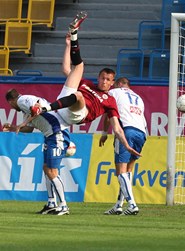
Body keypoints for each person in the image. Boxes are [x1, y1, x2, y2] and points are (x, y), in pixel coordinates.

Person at [32, 11, 140, 158]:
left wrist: (126, 145)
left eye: (108, 80)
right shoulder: (86, 84)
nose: (104, 81)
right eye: (102, 78)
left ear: (112, 83)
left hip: (77, 114)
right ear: (98, 77)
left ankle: (46, 108)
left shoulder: (110, 100)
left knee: (78, 94)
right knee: (79, 67)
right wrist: (68, 45)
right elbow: (65, 69)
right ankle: (74, 34)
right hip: (65, 102)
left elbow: (117, 128)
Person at [4, 89, 72, 215]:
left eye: (10, 105)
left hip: (57, 132)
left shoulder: (23, 100)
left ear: (11, 101)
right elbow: (29, 129)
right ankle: (52, 203)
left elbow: (36, 109)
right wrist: (14, 127)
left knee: (52, 171)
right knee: (46, 168)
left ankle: (63, 205)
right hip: (50, 135)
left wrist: (22, 123)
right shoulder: (25, 109)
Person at [99, 77, 147, 215]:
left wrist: (104, 132)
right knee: (129, 170)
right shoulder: (138, 97)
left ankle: (132, 205)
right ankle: (119, 205)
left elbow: (109, 114)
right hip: (142, 133)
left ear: (118, 84)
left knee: (120, 170)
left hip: (126, 131)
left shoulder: (114, 92)